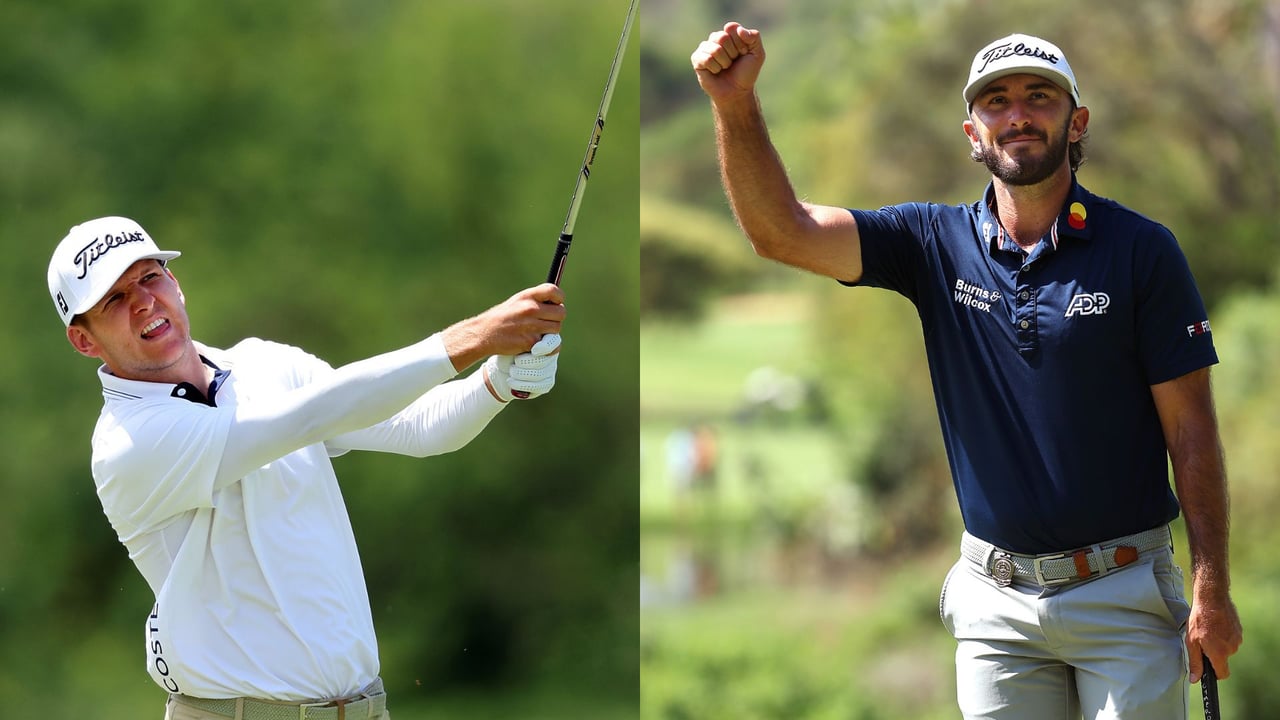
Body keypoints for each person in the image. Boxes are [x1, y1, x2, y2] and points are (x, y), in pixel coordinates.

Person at [691, 23, 1243, 719]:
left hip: (1125, 593)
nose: (1017, 115)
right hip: (996, 608)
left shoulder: (1143, 251)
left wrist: (1212, 589)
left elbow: (1192, 433)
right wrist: (735, 105)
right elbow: (783, 231)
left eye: (1039, 97)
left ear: (1077, 122)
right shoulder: (931, 243)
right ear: (972, 133)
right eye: (996, 101)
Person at [47, 215, 566, 719]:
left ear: (174, 282)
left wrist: (500, 383)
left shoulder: (267, 364)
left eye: (149, 276)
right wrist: (474, 337)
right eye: (113, 299)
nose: (143, 302)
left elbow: (419, 428)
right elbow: (312, 415)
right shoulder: (129, 442)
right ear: (84, 340)